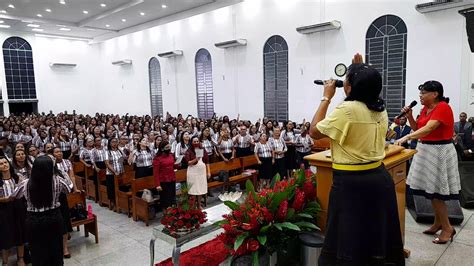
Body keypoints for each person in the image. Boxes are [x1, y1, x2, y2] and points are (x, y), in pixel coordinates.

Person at [310, 53, 404, 265]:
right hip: (379, 179)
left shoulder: (347, 109)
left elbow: (314, 131)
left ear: (351, 87)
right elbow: (365, 87)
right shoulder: (380, 107)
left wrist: (326, 96)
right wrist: (358, 69)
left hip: (352, 184)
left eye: (347, 82)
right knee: (375, 236)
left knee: (350, 238)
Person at [395, 80, 460, 244]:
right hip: (426, 150)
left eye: (423, 93)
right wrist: (409, 116)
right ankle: (437, 223)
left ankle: (447, 228)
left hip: (439, 152)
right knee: (431, 192)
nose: (420, 96)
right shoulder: (425, 109)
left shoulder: (443, 107)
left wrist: (406, 137)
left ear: (435, 94)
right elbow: (419, 129)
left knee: (437, 194)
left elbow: (430, 128)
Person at [12, 156, 73, 266]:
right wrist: (64, 175)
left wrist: (19, 182)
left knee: (37, 251)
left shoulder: (26, 183)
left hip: (34, 220)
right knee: (56, 249)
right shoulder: (58, 181)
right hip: (53, 217)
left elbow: (15, 195)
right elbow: (69, 189)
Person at [0, 157, 26, 266]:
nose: (4, 165)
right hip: (3, 209)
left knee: (20, 232)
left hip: (18, 206)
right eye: (1, 164)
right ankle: (5, 262)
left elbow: (24, 189)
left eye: (5, 162)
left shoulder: (17, 177)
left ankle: (20, 258)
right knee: (5, 235)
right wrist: (4, 199)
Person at [185, 136, 210, 209]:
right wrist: (196, 159)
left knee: (200, 189)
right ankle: (193, 205)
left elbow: (207, 161)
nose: (196, 143)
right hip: (192, 172)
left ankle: (199, 205)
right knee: (193, 190)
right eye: (194, 142)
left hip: (201, 173)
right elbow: (188, 163)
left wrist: (208, 172)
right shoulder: (188, 151)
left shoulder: (202, 149)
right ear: (191, 142)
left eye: (197, 141)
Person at [153, 141, 179, 210]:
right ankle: (167, 216)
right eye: (167, 147)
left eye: (169, 147)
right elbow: (156, 173)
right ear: (162, 149)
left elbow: (174, 166)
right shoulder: (157, 158)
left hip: (172, 179)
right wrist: (157, 184)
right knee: (165, 200)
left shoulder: (170, 155)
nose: (169, 148)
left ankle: (172, 214)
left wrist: (178, 163)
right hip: (163, 181)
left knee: (172, 198)